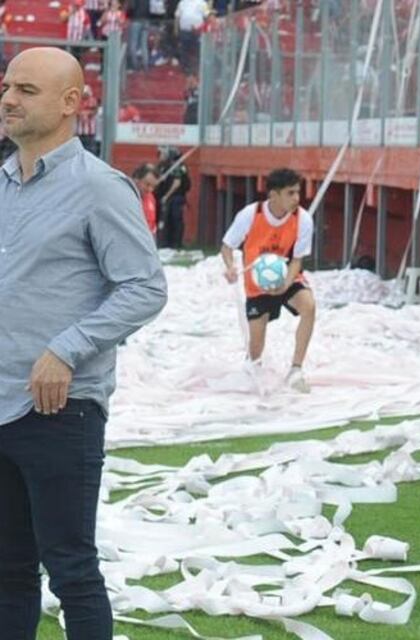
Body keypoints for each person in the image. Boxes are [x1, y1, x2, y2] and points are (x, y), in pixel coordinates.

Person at [0, 47, 167, 639]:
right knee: (8, 572)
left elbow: (145, 287)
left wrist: (66, 348)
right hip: (1, 401)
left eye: (26, 90)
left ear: (71, 102)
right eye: (6, 87)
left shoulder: (100, 187)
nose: (9, 99)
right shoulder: (3, 184)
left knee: (72, 571)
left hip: (57, 409)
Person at [220, 168, 316, 393]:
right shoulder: (250, 214)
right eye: (290, 193)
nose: (297, 198)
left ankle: (296, 370)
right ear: (273, 195)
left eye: (298, 192)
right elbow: (227, 247)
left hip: (288, 276)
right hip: (256, 284)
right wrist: (231, 267)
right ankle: (253, 369)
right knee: (256, 347)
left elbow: (297, 260)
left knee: (309, 306)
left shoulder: (303, 219)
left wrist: (285, 284)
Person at [155, 146, 190, 249]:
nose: (160, 156)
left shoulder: (177, 166)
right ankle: (166, 242)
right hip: (167, 197)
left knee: (175, 219)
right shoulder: (164, 166)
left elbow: (176, 183)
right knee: (166, 220)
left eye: (162, 154)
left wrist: (166, 196)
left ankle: (176, 243)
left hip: (175, 197)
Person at [132, 162, 159, 237]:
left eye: (153, 186)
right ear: (136, 179)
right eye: (147, 184)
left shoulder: (151, 197)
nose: (150, 189)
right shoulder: (126, 197)